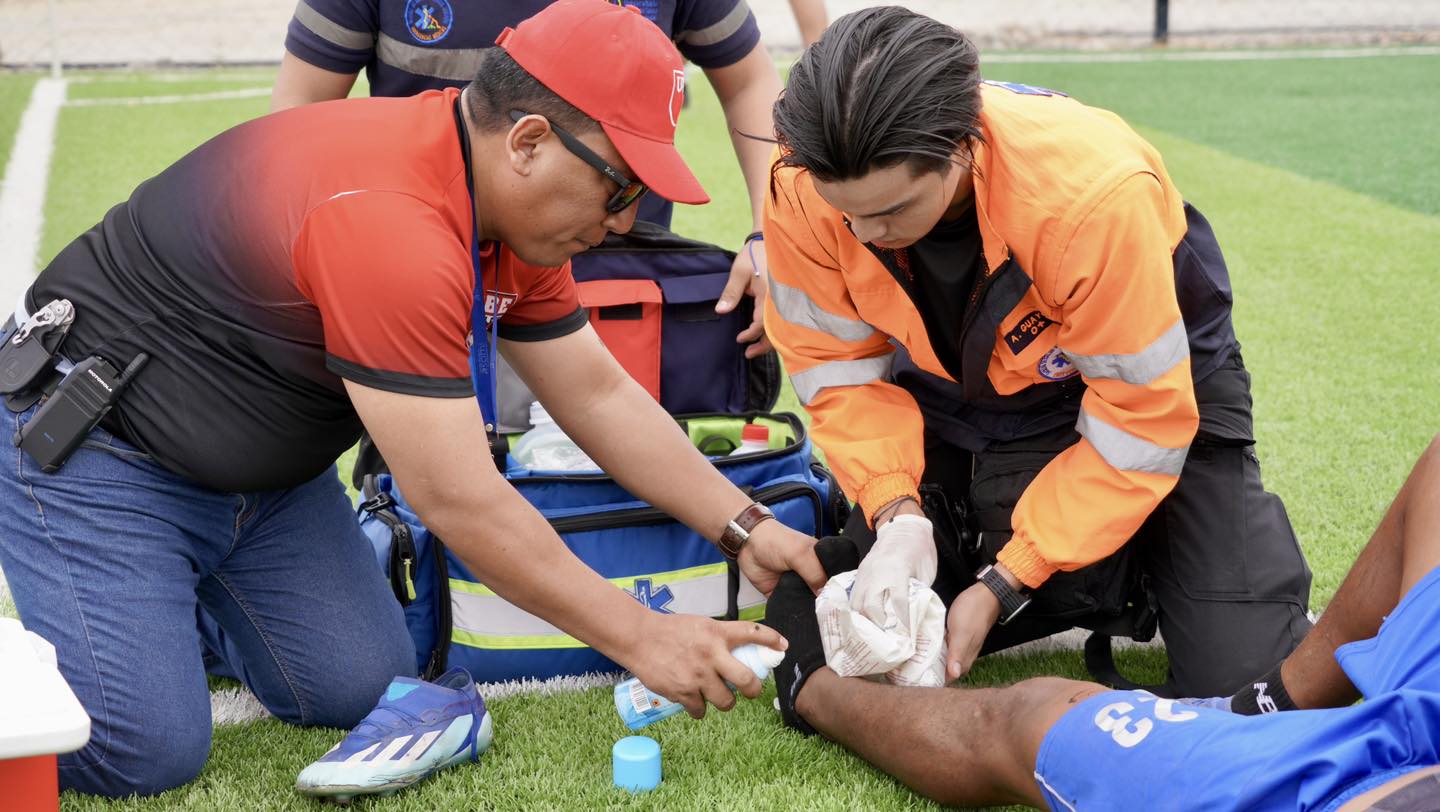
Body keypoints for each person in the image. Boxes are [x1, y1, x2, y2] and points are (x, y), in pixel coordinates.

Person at [0, 1, 823, 797]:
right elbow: (457, 499)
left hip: (267, 483)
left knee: (361, 685)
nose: (625, 220)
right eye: (619, 188)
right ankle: (132, 593)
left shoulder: (502, 203)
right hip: (102, 452)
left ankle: (162, 599)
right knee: (141, 751)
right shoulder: (393, 222)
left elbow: (598, 392)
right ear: (529, 141)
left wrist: (743, 523)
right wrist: (642, 636)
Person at [761, 6, 1312, 696]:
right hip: (965, 389)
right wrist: (896, 512)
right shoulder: (802, 180)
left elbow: (1142, 423)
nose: (866, 234)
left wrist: (1006, 577)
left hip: (1147, 396)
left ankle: (1148, 557)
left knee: (1243, 680)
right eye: (847, 213)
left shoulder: (1090, 199)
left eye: (894, 211)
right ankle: (1047, 537)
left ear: (961, 146)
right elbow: (839, 377)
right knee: (822, 640)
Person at [763, 434, 1440, 810]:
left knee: (1030, 720)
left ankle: (811, 687)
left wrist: (1003, 580)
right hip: (1410, 732)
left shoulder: (1096, 205)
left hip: (1337, 783)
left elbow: (1023, 722)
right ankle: (1266, 695)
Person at [273, 0, 781, 357]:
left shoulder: (616, 219)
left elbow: (750, 79)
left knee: (601, 475)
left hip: (614, 279)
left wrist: (771, 233)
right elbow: (297, 127)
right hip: (425, 270)